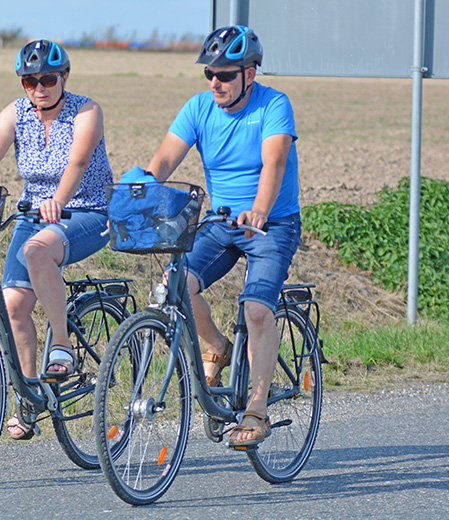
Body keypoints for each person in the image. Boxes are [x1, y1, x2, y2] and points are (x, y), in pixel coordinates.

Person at [142, 26, 301, 448]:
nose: (216, 82)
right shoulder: (198, 108)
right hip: (221, 222)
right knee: (174, 286)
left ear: (250, 74)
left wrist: (261, 211)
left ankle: (256, 408)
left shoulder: (274, 106)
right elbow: (162, 161)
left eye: (226, 75)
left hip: (273, 224)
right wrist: (136, 190)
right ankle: (217, 346)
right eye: (210, 73)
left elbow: (274, 163)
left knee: (255, 310)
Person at [0, 39, 112, 440]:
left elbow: (78, 161)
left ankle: (61, 346)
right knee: (13, 305)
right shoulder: (17, 112)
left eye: (47, 79)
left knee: (37, 249)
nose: (38, 87)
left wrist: (57, 202)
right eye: (30, 81)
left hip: (86, 211)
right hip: (34, 213)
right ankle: (30, 396)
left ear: (64, 77)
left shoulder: (86, 111)